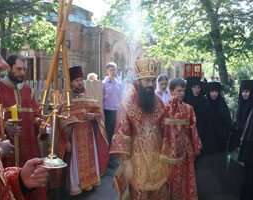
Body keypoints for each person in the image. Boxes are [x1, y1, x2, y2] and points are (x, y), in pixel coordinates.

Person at [110, 58, 169, 200]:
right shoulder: (127, 104)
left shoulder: (158, 102)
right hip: (136, 161)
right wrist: (126, 163)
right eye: (146, 80)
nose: (150, 85)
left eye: (152, 80)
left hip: (157, 159)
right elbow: (122, 135)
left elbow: (165, 127)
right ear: (139, 80)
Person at [53, 66, 109, 195]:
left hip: (89, 135)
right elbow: (62, 120)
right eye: (77, 80)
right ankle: (76, 185)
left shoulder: (88, 95)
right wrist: (66, 141)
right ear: (71, 82)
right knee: (75, 165)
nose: (80, 82)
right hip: (74, 136)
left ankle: (90, 183)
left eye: (81, 80)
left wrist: (93, 117)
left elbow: (99, 113)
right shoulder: (66, 98)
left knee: (91, 160)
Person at [0, 54, 47, 199]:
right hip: (8, 149)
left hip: (29, 146)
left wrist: (42, 124)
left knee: (32, 182)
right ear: (9, 68)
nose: (22, 73)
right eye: (18, 69)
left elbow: (36, 114)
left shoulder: (28, 91)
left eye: (24, 70)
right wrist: (5, 126)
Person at [161, 78, 202, 200]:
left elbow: (193, 130)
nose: (182, 94)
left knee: (182, 181)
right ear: (171, 91)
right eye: (179, 91)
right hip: (166, 153)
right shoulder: (163, 109)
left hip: (184, 151)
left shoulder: (189, 109)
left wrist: (195, 148)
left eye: (184, 91)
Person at [183, 76, 218, 200]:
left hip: (204, 139)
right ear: (190, 88)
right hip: (189, 140)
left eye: (198, 87)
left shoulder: (204, 102)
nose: (196, 90)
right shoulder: (185, 102)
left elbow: (210, 121)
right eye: (194, 87)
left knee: (202, 167)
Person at [228, 79, 253, 197]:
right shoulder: (240, 105)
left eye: (247, 91)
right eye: (243, 91)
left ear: (252, 93)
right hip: (238, 144)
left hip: (249, 144)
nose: (245, 94)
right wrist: (235, 144)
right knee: (237, 169)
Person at [206, 81, 232, 194]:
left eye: (216, 92)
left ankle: (220, 186)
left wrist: (222, 132)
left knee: (220, 163)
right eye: (212, 91)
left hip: (220, 140)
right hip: (208, 140)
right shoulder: (205, 104)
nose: (214, 94)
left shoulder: (222, 104)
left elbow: (228, 123)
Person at [102, 62, 123, 168]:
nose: (113, 71)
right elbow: (101, 100)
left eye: (115, 69)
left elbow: (121, 99)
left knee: (117, 135)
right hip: (107, 112)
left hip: (117, 112)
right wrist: (102, 114)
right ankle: (109, 160)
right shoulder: (103, 84)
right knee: (109, 136)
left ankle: (115, 158)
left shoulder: (119, 83)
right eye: (111, 69)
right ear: (107, 71)